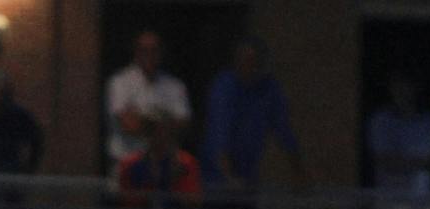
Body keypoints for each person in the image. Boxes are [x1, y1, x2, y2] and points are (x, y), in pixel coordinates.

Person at [201, 36, 303, 189]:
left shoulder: (268, 89)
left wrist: (298, 170)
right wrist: (227, 175)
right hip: (215, 176)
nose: (247, 66)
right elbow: (220, 129)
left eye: (253, 61)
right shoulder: (225, 86)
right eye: (243, 60)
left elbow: (283, 129)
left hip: (248, 174)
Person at [107, 30, 190, 173]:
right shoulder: (120, 82)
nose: (149, 55)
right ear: (135, 52)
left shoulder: (175, 85)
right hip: (127, 165)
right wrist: (164, 122)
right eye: (144, 50)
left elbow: (184, 125)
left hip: (166, 169)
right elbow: (129, 126)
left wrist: (143, 120)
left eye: (154, 50)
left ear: (161, 52)